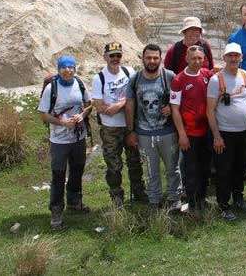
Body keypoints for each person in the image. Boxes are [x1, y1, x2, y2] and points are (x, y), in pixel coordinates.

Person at [38, 55, 92, 230]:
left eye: (71, 67)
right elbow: (44, 115)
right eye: (64, 67)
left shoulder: (80, 83)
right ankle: (56, 212)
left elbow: (89, 104)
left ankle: (75, 202)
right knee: (58, 175)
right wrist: (62, 123)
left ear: (75, 68)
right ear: (58, 69)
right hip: (59, 140)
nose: (68, 70)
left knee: (77, 170)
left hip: (78, 138)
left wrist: (82, 115)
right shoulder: (51, 88)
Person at [125, 44, 180, 213]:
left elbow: (180, 100)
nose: (152, 61)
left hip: (168, 132)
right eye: (148, 57)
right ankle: (154, 201)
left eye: (155, 58)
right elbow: (129, 105)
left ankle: (174, 198)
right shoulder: (135, 79)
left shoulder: (169, 76)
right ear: (143, 58)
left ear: (160, 59)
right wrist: (131, 131)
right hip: (144, 134)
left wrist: (171, 108)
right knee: (151, 170)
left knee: (173, 168)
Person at [91, 42, 146, 209]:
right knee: (113, 165)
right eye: (112, 55)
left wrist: (120, 104)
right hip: (110, 129)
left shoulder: (129, 72)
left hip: (129, 124)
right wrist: (126, 102)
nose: (115, 59)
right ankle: (117, 197)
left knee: (135, 161)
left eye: (118, 55)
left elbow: (136, 95)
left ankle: (138, 192)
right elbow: (101, 108)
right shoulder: (99, 78)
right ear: (105, 57)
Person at [207, 43, 246, 221]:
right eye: (230, 56)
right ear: (224, 58)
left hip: (243, 131)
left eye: (237, 56)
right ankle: (223, 205)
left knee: (240, 167)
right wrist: (217, 136)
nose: (234, 59)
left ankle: (239, 198)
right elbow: (210, 110)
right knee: (224, 170)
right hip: (224, 133)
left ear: (241, 57)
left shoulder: (245, 75)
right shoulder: (216, 80)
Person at [169, 45, 215, 217]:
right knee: (191, 170)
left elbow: (220, 74)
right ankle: (192, 203)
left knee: (205, 168)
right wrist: (182, 134)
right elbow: (174, 109)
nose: (197, 61)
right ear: (187, 59)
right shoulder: (179, 80)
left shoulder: (207, 75)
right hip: (189, 134)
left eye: (200, 59)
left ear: (204, 60)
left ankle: (202, 198)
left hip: (206, 131)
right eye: (193, 58)